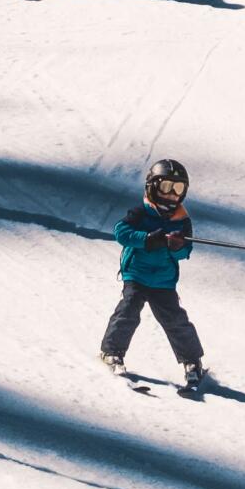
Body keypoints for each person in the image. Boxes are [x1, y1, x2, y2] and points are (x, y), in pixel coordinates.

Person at [99, 159, 207, 389]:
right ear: (152, 186)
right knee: (127, 311)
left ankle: (191, 360)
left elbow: (185, 251)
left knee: (175, 319)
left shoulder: (181, 220)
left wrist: (176, 246)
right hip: (136, 274)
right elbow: (121, 233)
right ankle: (112, 351)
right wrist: (147, 239)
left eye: (178, 189)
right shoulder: (140, 213)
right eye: (167, 187)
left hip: (163, 280)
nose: (172, 195)